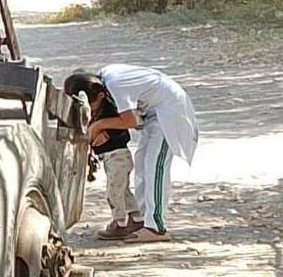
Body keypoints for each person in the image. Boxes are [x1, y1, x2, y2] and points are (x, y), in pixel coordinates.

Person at [80, 62, 197, 242]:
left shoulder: (115, 85)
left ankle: (157, 227)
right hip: (153, 116)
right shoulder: (104, 82)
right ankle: (141, 220)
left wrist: (99, 125)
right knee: (142, 164)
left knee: (155, 168)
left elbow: (130, 120)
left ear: (100, 95)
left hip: (169, 115)